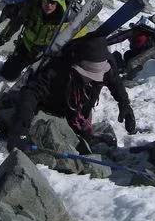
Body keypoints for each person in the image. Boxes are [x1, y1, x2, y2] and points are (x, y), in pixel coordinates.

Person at [8, 34, 137, 151]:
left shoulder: (105, 63)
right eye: (87, 75)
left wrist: (124, 103)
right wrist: (20, 130)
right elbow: (31, 93)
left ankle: (81, 131)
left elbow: (115, 82)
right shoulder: (58, 67)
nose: (92, 79)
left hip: (80, 109)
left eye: (96, 76)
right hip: (52, 109)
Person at [0, 0, 70, 81]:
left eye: (53, 2)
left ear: (58, 3)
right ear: (41, 0)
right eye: (46, 1)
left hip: (45, 54)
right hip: (26, 46)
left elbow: (71, 37)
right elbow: (16, 22)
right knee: (7, 74)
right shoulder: (31, 8)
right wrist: (4, 37)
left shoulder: (64, 19)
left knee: (37, 81)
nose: (49, 6)